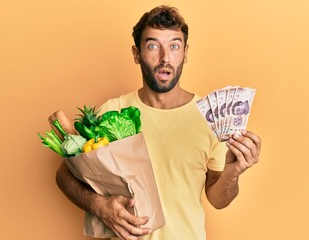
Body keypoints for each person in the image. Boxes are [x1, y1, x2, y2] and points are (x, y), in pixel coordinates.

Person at [56, 5, 261, 240]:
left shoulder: (209, 117)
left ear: (185, 53)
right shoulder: (112, 112)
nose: (165, 58)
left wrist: (233, 173)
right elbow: (64, 175)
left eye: (174, 46)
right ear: (136, 54)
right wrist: (99, 206)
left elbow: (218, 199)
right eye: (153, 45)